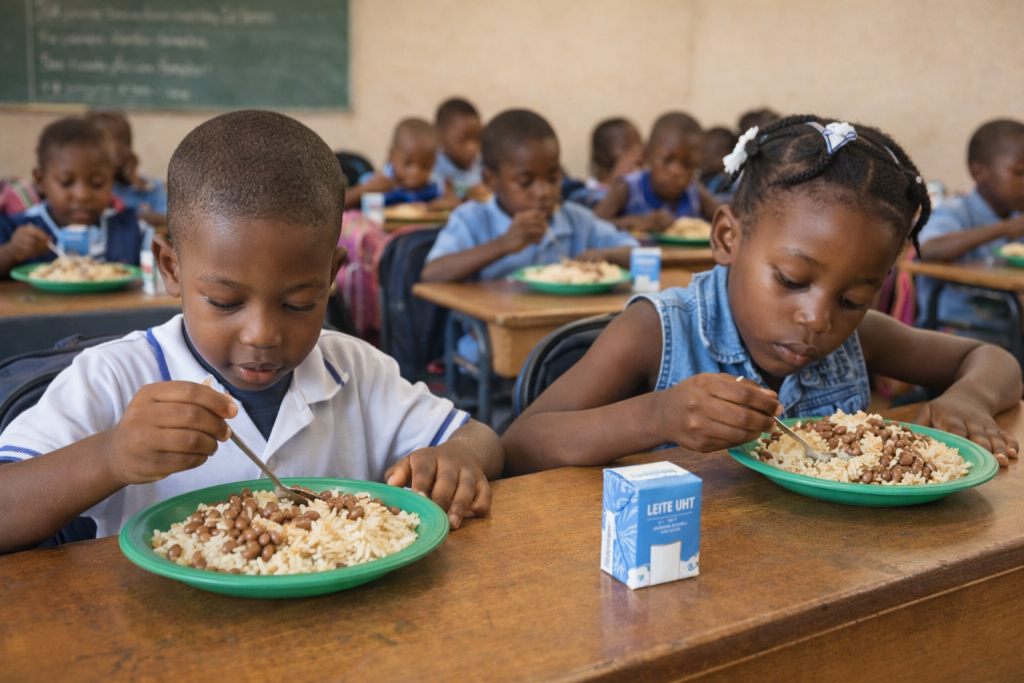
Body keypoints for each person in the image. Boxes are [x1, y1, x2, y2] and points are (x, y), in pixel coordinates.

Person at [0, 110, 503, 553]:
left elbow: (480, 437)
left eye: (299, 303)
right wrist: (108, 456)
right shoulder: (113, 377)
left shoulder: (356, 369)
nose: (262, 333)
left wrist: (455, 457)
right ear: (170, 268)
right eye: (225, 302)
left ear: (332, 276)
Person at [502, 115, 1021, 475]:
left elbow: (992, 357)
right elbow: (520, 445)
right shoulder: (659, 331)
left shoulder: (856, 340)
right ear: (728, 238)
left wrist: (968, 397)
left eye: (853, 299)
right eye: (793, 281)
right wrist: (656, 416)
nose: (818, 318)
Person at [420, 108, 640, 284]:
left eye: (553, 179)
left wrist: (606, 255)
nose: (543, 192)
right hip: (491, 338)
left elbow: (638, 254)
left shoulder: (576, 220)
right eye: (525, 183)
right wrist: (503, 245)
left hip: (565, 334)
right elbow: (432, 272)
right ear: (490, 180)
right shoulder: (472, 219)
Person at [0, 117, 145, 278]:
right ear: (41, 181)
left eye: (97, 184)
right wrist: (11, 252)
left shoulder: (132, 229)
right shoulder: (13, 228)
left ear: (111, 180)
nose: (82, 195)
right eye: (66, 183)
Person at [916, 119, 1024, 326]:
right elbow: (927, 249)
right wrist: (1004, 229)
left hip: (1008, 330)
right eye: (1019, 172)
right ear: (979, 173)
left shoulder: (1016, 215)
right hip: (955, 331)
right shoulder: (956, 211)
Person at [594, 112, 720, 233]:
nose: (676, 172)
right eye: (667, 160)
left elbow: (725, 218)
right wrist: (634, 222)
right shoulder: (629, 188)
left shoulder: (694, 193)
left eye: (688, 164)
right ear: (647, 155)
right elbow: (592, 223)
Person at [344, 118, 457, 210]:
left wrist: (445, 204)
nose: (415, 172)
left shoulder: (437, 185)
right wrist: (362, 190)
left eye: (425, 166)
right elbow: (340, 204)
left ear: (434, 161)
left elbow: (456, 205)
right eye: (408, 164)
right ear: (392, 155)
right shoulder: (377, 183)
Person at [85, 108, 168, 227]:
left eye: (125, 141)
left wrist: (134, 179)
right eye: (108, 141)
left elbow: (169, 221)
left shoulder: (150, 188)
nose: (118, 148)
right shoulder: (89, 190)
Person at [566, 118, 643, 209]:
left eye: (639, 146)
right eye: (626, 147)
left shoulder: (642, 181)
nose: (637, 153)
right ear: (601, 155)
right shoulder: (583, 192)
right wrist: (614, 181)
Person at [434, 98, 488, 201]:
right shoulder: (428, 166)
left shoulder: (483, 165)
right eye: (463, 140)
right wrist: (465, 200)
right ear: (439, 135)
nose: (473, 148)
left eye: (477, 139)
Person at [699, 127, 739, 196]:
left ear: (731, 155)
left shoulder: (729, 183)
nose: (707, 157)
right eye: (704, 150)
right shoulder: (701, 178)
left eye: (716, 153)